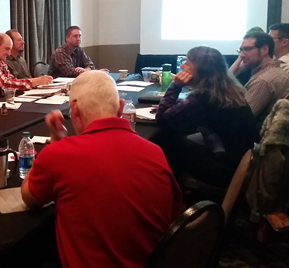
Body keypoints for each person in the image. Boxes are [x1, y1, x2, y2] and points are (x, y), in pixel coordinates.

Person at [21, 71, 182, 268]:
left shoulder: (59, 154)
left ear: (74, 110)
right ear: (121, 108)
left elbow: (30, 198)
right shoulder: (155, 152)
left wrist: (54, 142)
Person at [153, 46, 259, 187]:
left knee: (165, 140)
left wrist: (175, 86)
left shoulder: (204, 96)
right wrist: (178, 108)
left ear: (202, 70)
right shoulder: (230, 89)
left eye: (188, 63)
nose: (181, 66)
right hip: (241, 162)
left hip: (226, 170)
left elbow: (163, 120)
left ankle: (168, 191)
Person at [230, 32, 289, 127]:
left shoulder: (263, 81)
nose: (242, 55)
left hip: (258, 138)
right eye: (241, 50)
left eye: (247, 49)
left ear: (264, 50)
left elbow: (241, 119)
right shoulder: (274, 71)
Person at [0, 33, 52, 101]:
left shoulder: (1, 61)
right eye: (7, 49)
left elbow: (12, 80)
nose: (9, 53)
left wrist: (36, 82)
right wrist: (33, 82)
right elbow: (4, 84)